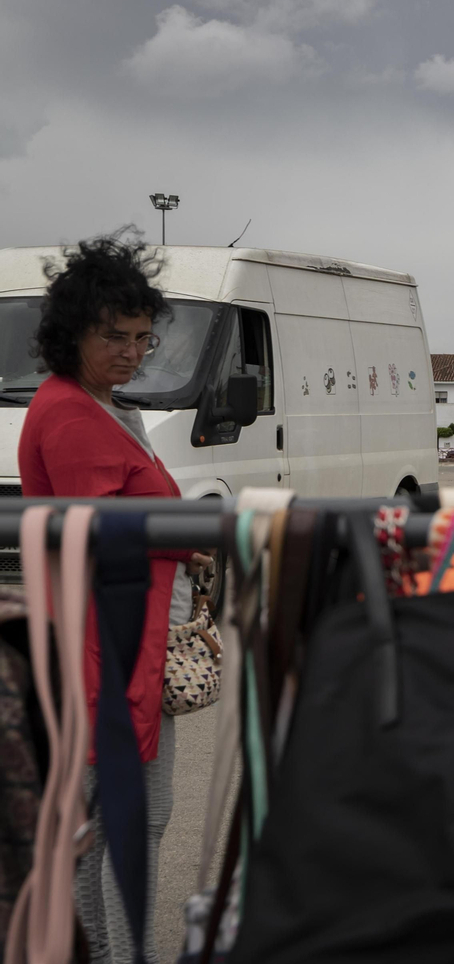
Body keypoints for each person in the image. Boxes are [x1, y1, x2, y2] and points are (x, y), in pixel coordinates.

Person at [18, 230, 209, 964]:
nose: (132, 351)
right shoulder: (71, 412)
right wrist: (189, 535)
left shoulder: (98, 402)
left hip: (124, 636)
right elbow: (107, 535)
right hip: (111, 639)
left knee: (116, 816)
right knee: (133, 817)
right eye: (114, 336)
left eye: (142, 337)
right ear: (72, 335)